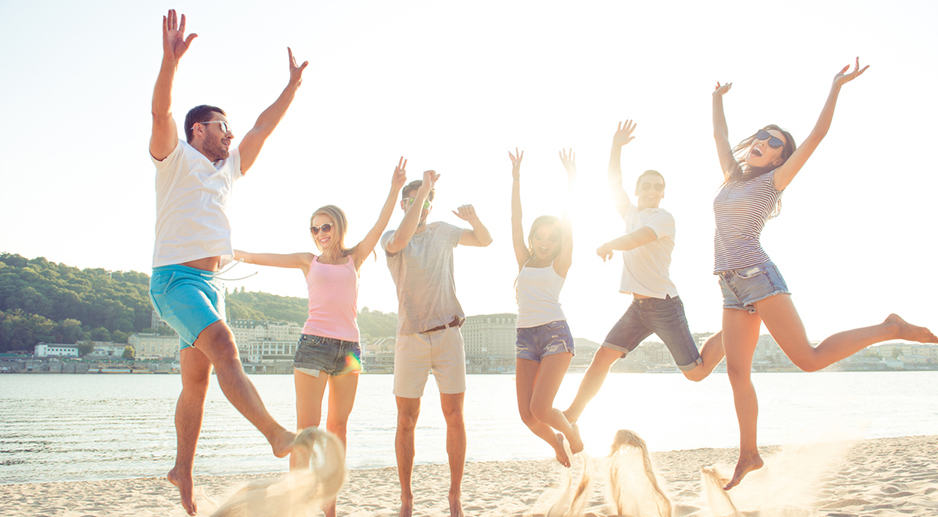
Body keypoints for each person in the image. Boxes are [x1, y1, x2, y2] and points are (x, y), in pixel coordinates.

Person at [711, 58, 938, 489]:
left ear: (781, 156)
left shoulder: (774, 181)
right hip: (729, 285)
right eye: (761, 135)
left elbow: (817, 136)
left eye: (774, 142)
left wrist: (835, 87)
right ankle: (749, 454)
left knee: (809, 359)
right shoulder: (731, 178)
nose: (764, 142)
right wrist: (716, 99)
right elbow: (720, 136)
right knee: (738, 373)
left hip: (759, 277)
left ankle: (889, 328)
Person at [147, 9, 307, 515]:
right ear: (198, 130)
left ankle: (183, 469)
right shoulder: (173, 156)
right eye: (222, 126)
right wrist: (169, 62)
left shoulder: (229, 168)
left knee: (196, 382)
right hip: (174, 280)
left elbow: (264, 126)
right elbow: (160, 111)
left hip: (210, 285)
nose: (230, 134)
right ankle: (277, 436)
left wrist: (292, 88)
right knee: (224, 345)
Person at [234, 158, 407, 517]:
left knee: (338, 428)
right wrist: (234, 254)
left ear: (338, 226)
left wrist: (394, 188)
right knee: (306, 431)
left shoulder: (354, 258)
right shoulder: (306, 261)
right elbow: (263, 257)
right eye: (314, 229)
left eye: (325, 227)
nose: (320, 234)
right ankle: (295, 506)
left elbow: (380, 224)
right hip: (312, 347)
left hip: (350, 351)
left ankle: (330, 507)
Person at [563, 120, 725, 426]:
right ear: (638, 191)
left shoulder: (664, 218)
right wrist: (615, 147)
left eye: (658, 186)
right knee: (602, 359)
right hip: (638, 308)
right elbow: (613, 184)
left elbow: (639, 239)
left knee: (696, 373)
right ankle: (572, 414)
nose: (652, 190)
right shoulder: (631, 214)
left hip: (665, 306)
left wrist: (611, 242)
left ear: (663, 194)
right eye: (646, 185)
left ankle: (734, 330)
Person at [380, 170, 493, 517]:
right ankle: (406, 498)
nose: (421, 205)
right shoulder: (392, 237)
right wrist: (425, 187)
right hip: (410, 339)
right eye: (412, 200)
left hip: (448, 335)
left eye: (427, 200)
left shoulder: (444, 231)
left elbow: (485, 240)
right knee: (406, 420)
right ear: (402, 204)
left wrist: (474, 218)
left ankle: (454, 496)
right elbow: (400, 239)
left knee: (454, 415)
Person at [508, 148, 582, 468]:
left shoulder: (560, 263)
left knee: (541, 408)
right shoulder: (524, 261)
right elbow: (515, 220)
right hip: (525, 337)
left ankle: (573, 435)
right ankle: (558, 442)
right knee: (527, 415)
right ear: (533, 238)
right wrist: (516, 179)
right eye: (539, 237)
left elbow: (570, 221)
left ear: (558, 241)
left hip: (555, 335)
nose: (544, 242)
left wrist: (571, 179)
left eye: (551, 238)